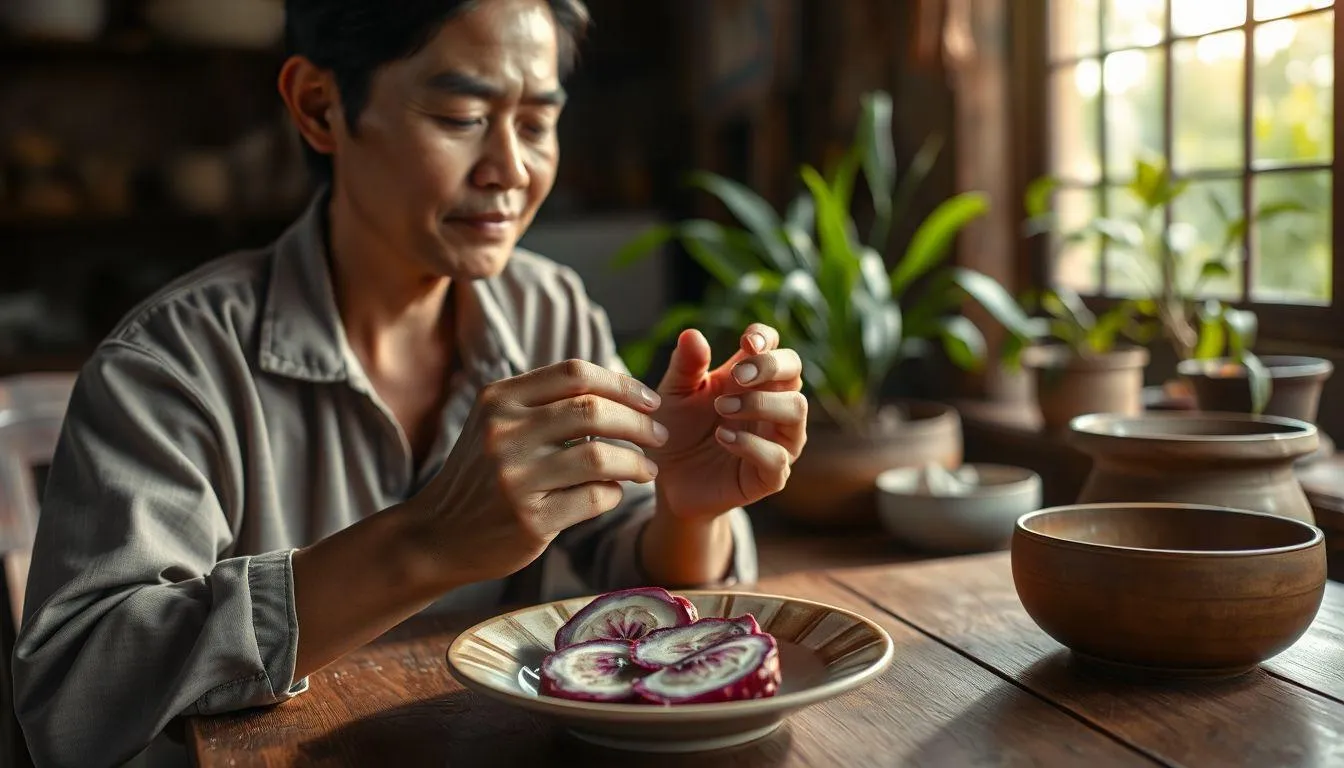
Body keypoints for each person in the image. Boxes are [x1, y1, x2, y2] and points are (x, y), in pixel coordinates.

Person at [11, 1, 808, 766]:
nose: (511, 169)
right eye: (462, 118)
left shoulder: (549, 310)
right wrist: (426, 541)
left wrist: (687, 508)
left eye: (537, 122)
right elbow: (71, 702)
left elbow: (631, 575)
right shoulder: (172, 365)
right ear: (321, 107)